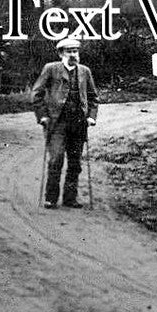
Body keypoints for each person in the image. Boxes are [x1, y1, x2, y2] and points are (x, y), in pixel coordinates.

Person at [32, 37, 99, 209]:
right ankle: (51, 198)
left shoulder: (85, 71)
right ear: (61, 53)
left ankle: (70, 198)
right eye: (69, 51)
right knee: (56, 159)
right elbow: (36, 94)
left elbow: (93, 97)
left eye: (75, 51)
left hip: (78, 123)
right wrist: (43, 116)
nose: (73, 54)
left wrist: (91, 117)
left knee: (75, 162)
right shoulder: (51, 69)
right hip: (57, 123)